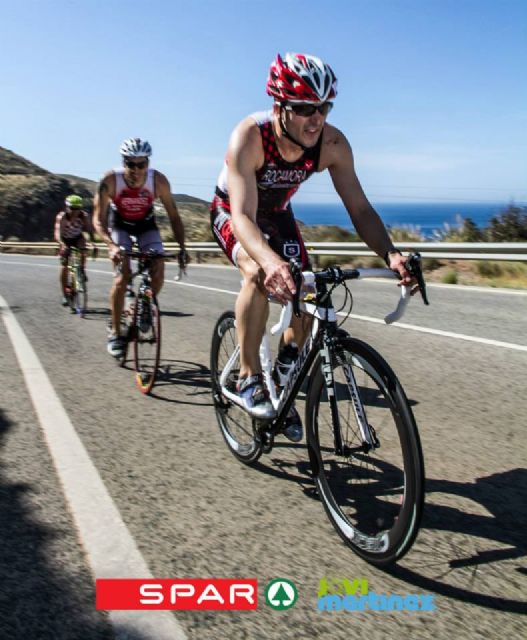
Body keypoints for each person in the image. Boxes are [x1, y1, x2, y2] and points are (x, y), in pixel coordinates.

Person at [210, 52, 415, 442]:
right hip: (236, 211)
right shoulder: (250, 137)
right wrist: (268, 261)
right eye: (304, 107)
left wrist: (391, 254)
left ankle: (284, 371)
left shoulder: (332, 143)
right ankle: (249, 376)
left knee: (307, 287)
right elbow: (243, 217)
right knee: (257, 273)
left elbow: (359, 207)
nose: (316, 118)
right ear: (279, 106)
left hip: (279, 212)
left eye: (323, 106)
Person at [93, 138, 188, 358]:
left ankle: (145, 303)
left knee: (159, 268)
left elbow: (174, 217)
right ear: (123, 163)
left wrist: (182, 248)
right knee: (121, 277)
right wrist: (110, 246)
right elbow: (98, 220)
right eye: (130, 164)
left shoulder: (159, 181)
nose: (136, 170)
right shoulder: (110, 181)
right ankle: (116, 332)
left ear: (148, 163)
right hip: (120, 226)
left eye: (141, 164)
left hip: (146, 225)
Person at [54, 194, 96, 305]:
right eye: (72, 208)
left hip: (77, 238)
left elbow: (88, 231)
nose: (75, 211)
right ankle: (64, 294)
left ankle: (81, 270)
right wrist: (62, 245)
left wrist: (92, 243)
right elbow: (57, 234)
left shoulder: (83, 216)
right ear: (67, 207)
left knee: (83, 247)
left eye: (78, 209)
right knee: (64, 267)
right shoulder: (62, 217)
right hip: (65, 239)